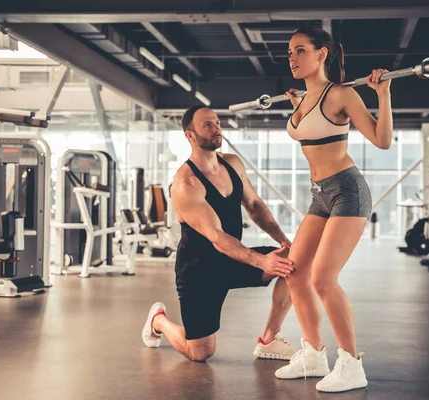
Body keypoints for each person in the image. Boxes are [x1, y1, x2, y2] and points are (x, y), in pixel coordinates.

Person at [273, 25, 393, 393]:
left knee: (322, 278)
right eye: (289, 52)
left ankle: (351, 364)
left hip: (347, 191)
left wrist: (383, 95)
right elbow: (309, 129)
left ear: (322, 53)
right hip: (319, 194)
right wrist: (296, 105)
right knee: (294, 271)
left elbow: (382, 140)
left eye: (300, 51)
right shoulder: (303, 101)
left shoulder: (340, 94)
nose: (292, 58)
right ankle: (312, 355)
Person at [141, 105, 297, 362]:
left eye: (217, 123)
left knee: (293, 260)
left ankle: (268, 339)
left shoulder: (232, 164)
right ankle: (159, 321)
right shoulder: (185, 183)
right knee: (200, 352)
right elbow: (216, 235)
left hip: (232, 259)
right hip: (199, 272)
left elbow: (255, 206)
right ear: (190, 136)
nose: (217, 129)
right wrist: (262, 261)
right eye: (208, 125)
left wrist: (283, 241)